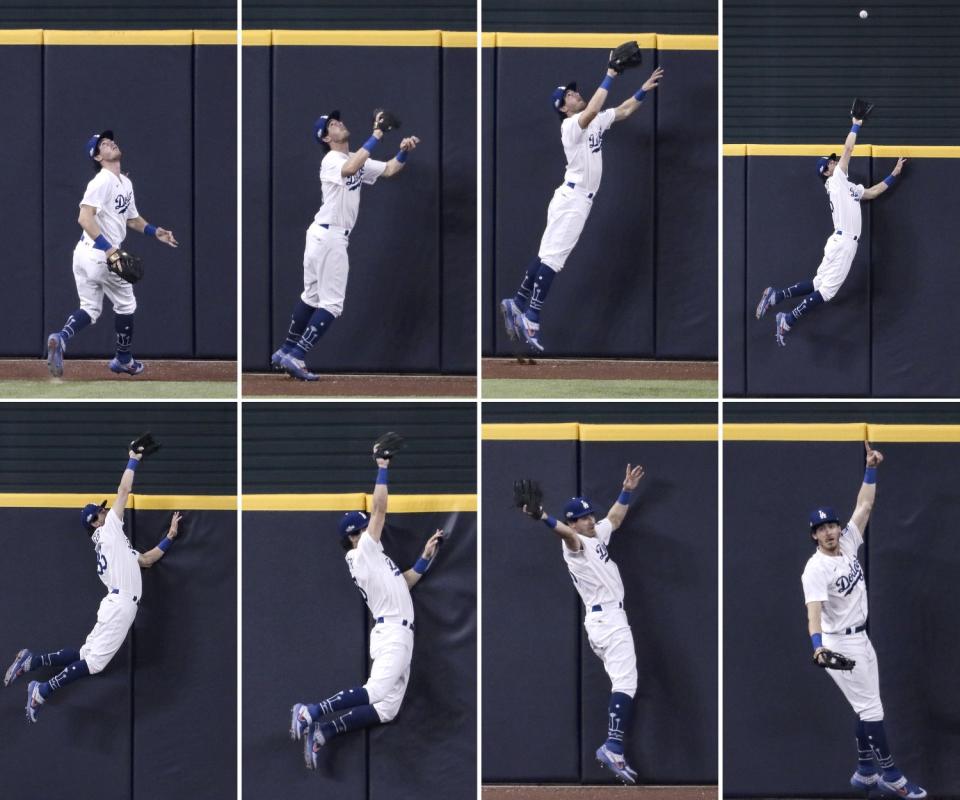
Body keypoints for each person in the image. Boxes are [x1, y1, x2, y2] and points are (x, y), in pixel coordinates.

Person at [289, 442, 444, 769]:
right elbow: (380, 510)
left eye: (364, 529)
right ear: (352, 539)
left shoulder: (376, 558)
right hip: (393, 633)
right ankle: (310, 711)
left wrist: (424, 559)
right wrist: (383, 467)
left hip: (397, 632)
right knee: (375, 691)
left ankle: (324, 732)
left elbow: (404, 584)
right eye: (359, 531)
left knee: (386, 709)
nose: (367, 531)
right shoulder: (361, 554)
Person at [4, 443, 179, 722]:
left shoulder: (113, 546)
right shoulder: (109, 532)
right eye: (101, 512)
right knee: (94, 663)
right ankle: (42, 690)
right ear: (95, 523)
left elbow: (146, 560)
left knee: (85, 654)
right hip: (120, 606)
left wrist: (169, 537)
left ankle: (33, 661)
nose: (106, 512)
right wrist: (133, 460)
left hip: (115, 603)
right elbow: (123, 492)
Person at [500, 56, 664, 353]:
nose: (575, 93)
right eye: (569, 95)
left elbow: (624, 110)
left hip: (571, 198)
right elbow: (591, 112)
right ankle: (532, 318)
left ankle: (518, 301)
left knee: (546, 254)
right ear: (563, 108)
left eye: (574, 91)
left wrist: (642, 89)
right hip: (573, 199)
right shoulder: (570, 126)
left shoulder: (594, 118)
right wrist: (611, 74)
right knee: (554, 260)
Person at [802, 441, 926, 798]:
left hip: (860, 638)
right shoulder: (815, 568)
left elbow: (865, 504)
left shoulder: (849, 543)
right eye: (821, 529)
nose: (829, 532)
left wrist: (871, 468)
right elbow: (813, 613)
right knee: (871, 708)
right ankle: (891, 775)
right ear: (813, 535)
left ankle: (865, 771)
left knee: (866, 705)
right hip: (838, 641)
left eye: (832, 526)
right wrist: (818, 647)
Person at [517, 464, 645, 783]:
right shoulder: (574, 544)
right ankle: (613, 746)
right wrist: (543, 517)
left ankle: (614, 746)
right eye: (584, 518)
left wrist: (626, 489)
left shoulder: (596, 534)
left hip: (605, 619)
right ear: (573, 522)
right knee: (626, 683)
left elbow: (614, 519)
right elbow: (564, 533)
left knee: (623, 680)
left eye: (589, 516)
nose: (590, 520)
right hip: (608, 619)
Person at [271, 110, 420, 381]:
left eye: (337, 120)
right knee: (332, 304)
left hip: (321, 235)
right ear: (327, 137)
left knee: (312, 297)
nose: (338, 123)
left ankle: (286, 350)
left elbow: (388, 169)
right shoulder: (331, 159)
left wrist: (403, 152)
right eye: (331, 125)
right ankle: (298, 355)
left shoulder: (354, 157)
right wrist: (377, 133)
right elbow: (350, 169)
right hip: (330, 236)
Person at [755, 115, 906, 346]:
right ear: (826, 171)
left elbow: (873, 192)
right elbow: (848, 148)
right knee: (827, 292)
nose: (836, 163)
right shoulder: (836, 179)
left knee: (817, 284)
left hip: (838, 240)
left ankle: (777, 295)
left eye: (834, 162)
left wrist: (893, 175)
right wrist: (857, 123)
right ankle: (788, 319)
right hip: (844, 242)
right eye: (831, 163)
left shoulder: (845, 186)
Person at [46, 130, 178, 377]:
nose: (111, 143)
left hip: (84, 255)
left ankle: (61, 338)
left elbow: (132, 219)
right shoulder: (101, 181)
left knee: (90, 308)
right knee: (126, 305)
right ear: (97, 157)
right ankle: (124, 360)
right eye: (103, 144)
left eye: (110, 141)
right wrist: (110, 250)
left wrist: (154, 231)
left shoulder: (124, 182)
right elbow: (84, 218)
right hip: (101, 254)